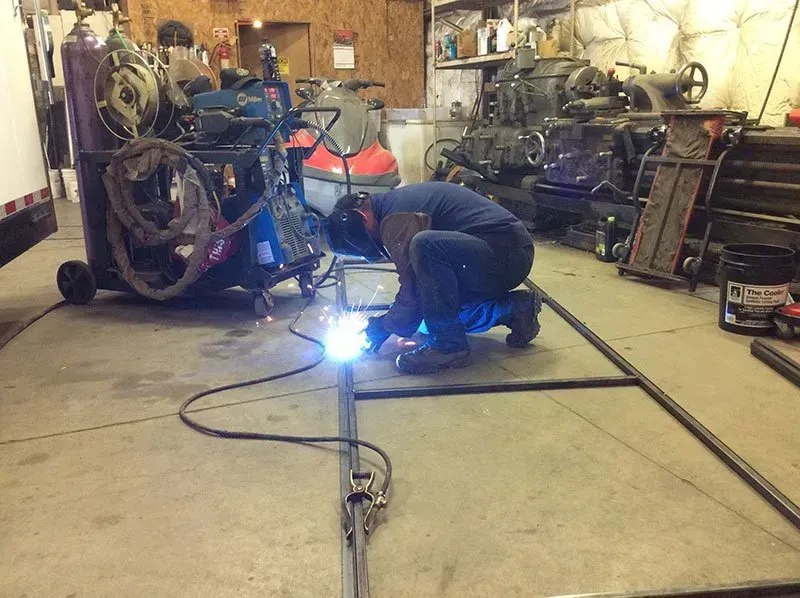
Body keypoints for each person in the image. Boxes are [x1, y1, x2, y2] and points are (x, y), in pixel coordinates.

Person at [323, 182, 541, 374]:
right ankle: (514, 309)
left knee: (425, 245)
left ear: (362, 216)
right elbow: (424, 294)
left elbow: (412, 289)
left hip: (506, 252)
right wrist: (393, 321)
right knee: (431, 317)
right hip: (498, 255)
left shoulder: (395, 219)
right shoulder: (390, 208)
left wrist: (385, 325)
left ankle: (449, 346)